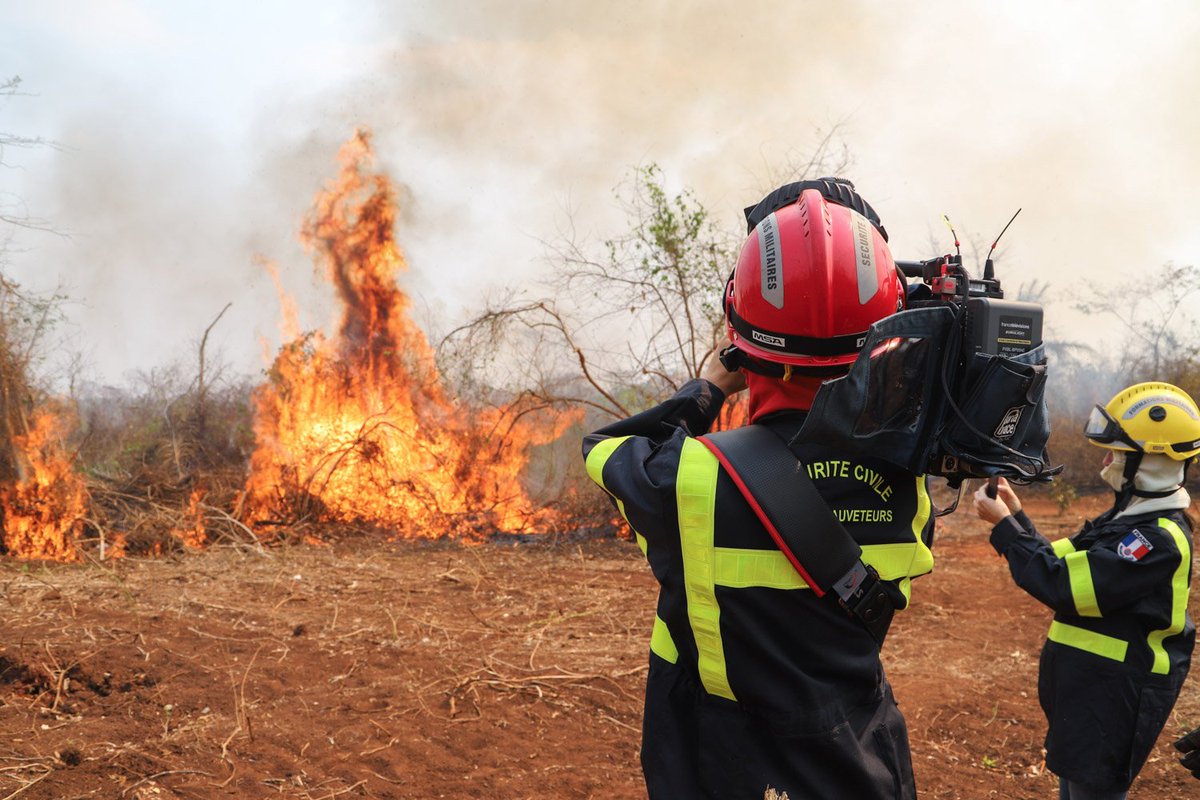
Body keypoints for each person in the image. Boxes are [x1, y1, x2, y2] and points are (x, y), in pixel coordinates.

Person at [582, 180, 934, 799]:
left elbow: (603, 449)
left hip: (724, 767)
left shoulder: (687, 482)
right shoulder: (910, 490)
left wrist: (707, 389)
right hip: (857, 760)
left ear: (739, 337)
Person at [972, 381, 1199, 799]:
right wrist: (1019, 519)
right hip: (1089, 693)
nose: (1107, 460)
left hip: (1115, 700)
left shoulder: (1158, 539)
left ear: (1151, 463)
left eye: (1119, 454)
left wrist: (1005, 530)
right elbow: (1062, 563)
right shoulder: (1127, 520)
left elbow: (1065, 588)